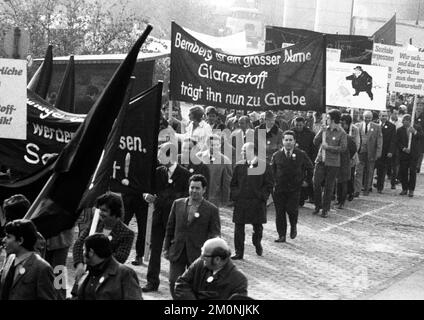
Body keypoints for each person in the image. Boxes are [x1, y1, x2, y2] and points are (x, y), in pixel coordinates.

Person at [142, 142, 191, 292]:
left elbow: (184, 198)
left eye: (161, 154)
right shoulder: (158, 172)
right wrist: (146, 196)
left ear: (171, 156)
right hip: (158, 218)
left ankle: (179, 283)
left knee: (176, 251)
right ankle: (152, 282)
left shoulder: (185, 175)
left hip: (176, 220)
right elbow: (147, 190)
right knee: (155, 249)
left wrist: (159, 199)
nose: (158, 157)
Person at [163, 174, 221, 298]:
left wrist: (209, 254)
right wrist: (166, 248)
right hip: (178, 250)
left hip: (198, 255)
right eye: (192, 187)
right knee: (174, 281)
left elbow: (215, 235)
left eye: (197, 188)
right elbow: (170, 228)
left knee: (196, 285)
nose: (194, 191)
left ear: (204, 190)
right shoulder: (177, 204)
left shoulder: (211, 210)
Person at [73, 192, 135, 283]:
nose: (100, 213)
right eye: (100, 209)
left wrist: (93, 259)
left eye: (104, 210)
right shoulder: (95, 224)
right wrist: (79, 264)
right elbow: (79, 243)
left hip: (108, 279)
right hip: (86, 276)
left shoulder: (127, 233)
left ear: (114, 212)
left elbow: (120, 258)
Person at [230, 142, 272, 258]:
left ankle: (257, 243)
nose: (241, 153)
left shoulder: (264, 166)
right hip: (241, 202)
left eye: (243, 150)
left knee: (257, 227)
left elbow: (268, 184)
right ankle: (239, 252)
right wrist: (236, 195)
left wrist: (262, 196)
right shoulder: (239, 166)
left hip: (257, 202)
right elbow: (233, 184)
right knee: (238, 227)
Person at [71, 234, 142, 300]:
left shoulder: (125, 274)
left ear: (91, 252)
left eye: (84, 250)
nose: (82, 253)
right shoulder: (88, 273)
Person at [271, 130, 313, 242]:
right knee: (280, 213)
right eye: (286, 140)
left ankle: (293, 226)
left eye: (291, 140)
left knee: (291, 210)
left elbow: (310, 168)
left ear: (294, 142)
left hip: (294, 189)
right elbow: (272, 171)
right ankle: (281, 235)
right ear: (282, 141)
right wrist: (273, 184)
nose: (288, 142)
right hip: (279, 189)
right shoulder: (277, 155)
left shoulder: (301, 154)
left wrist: (306, 181)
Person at [174, 238, 248, 300]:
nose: (201, 258)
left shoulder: (239, 280)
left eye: (204, 256)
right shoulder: (199, 264)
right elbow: (181, 283)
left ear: (217, 259)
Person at [0, 219, 55, 300]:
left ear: (20, 241)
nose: (4, 240)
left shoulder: (42, 268)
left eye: (8, 237)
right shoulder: (10, 259)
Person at [313, 109, 347, 218]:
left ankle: (325, 209)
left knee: (329, 186)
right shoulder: (324, 129)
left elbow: (343, 148)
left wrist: (329, 148)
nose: (326, 119)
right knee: (316, 182)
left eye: (328, 117)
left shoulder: (341, 133)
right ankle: (317, 205)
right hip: (320, 160)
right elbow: (315, 141)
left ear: (333, 119)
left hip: (333, 163)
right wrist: (320, 132)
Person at [197, 135, 232, 207]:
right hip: (198, 195)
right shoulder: (199, 157)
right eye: (213, 145)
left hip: (214, 198)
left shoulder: (225, 160)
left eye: (217, 145)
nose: (216, 147)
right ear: (207, 145)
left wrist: (225, 200)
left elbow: (227, 182)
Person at [355, 110, 382, 196]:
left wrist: (378, 152)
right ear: (363, 117)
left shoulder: (377, 127)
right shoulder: (357, 126)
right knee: (358, 171)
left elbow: (379, 141)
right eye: (366, 117)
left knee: (369, 172)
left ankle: (366, 189)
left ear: (372, 118)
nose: (367, 119)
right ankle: (357, 190)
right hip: (360, 152)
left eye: (369, 118)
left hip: (371, 153)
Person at [396, 114, 423, 197]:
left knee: (412, 172)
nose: (406, 122)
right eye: (404, 121)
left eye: (408, 120)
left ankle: (411, 190)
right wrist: (404, 148)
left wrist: (414, 132)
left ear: (410, 121)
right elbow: (397, 141)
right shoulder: (400, 130)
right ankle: (404, 188)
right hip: (404, 154)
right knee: (403, 171)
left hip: (413, 154)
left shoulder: (417, 127)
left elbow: (421, 136)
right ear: (403, 121)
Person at [293, 116, 317, 205]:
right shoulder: (291, 132)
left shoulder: (310, 134)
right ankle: (298, 198)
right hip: (294, 159)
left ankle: (308, 196)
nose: (298, 127)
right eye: (297, 125)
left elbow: (314, 148)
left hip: (307, 159)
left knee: (307, 178)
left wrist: (312, 160)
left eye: (300, 125)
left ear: (304, 124)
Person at [376, 110, 397, 193]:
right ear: (379, 116)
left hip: (385, 151)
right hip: (374, 150)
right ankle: (367, 186)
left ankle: (379, 187)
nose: (383, 117)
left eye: (385, 116)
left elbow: (393, 140)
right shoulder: (375, 124)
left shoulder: (392, 126)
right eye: (382, 115)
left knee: (382, 170)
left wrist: (391, 151)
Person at [340, 114, 360, 201]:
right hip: (341, 156)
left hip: (351, 157)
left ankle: (350, 192)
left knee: (350, 175)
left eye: (344, 123)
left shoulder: (354, 130)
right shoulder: (340, 129)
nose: (342, 125)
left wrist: (351, 156)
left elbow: (357, 144)